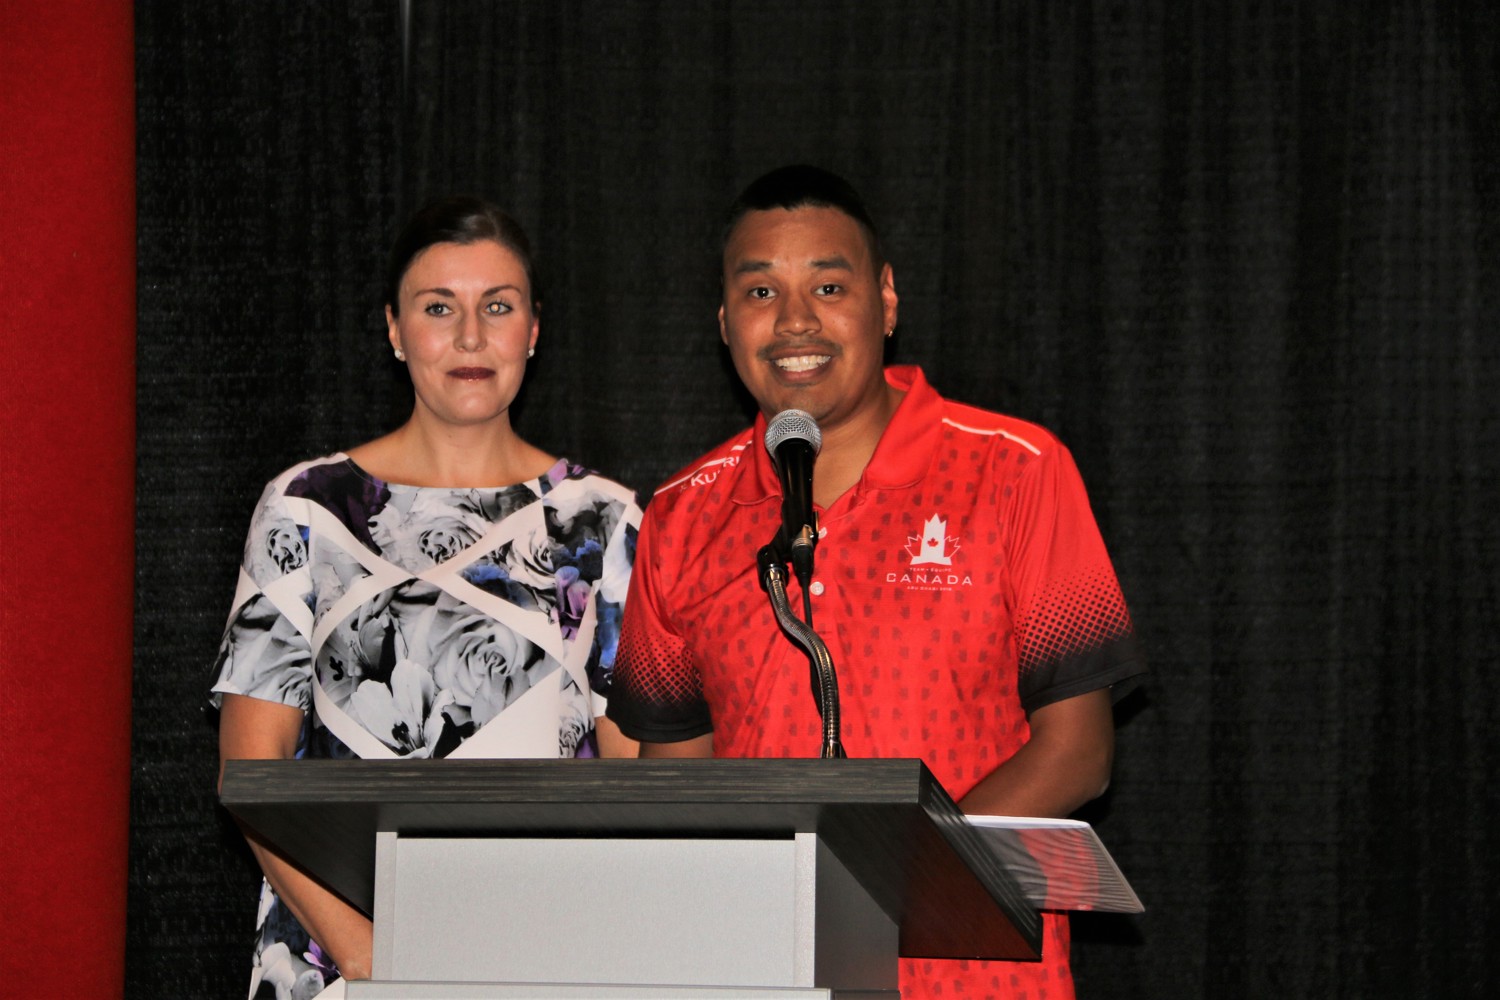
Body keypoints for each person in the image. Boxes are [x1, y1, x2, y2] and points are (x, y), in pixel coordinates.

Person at [606, 165, 1145, 1000]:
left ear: (886, 300)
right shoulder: (682, 515)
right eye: (759, 292)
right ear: (723, 321)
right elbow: (674, 774)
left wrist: (882, 885)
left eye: (828, 284)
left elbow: (1079, 751)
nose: (795, 321)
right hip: (759, 971)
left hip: (975, 974)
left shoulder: (1014, 470)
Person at [212, 196, 641, 999]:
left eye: (498, 307)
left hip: (550, 959)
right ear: (394, 329)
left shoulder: (606, 519)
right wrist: (372, 959)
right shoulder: (307, 508)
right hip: (336, 964)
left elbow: (633, 782)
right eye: (439, 307)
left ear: (533, 331)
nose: (470, 337)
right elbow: (249, 770)